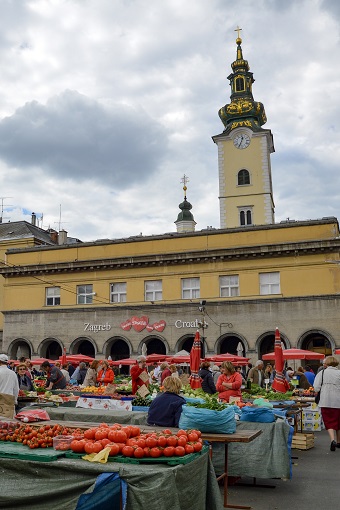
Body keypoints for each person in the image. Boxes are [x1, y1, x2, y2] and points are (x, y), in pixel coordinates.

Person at [314, 356, 340, 451]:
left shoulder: (322, 373)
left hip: (326, 400)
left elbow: (316, 387)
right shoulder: (339, 373)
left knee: (329, 421)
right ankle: (339, 441)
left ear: (327, 363)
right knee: (338, 421)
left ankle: (332, 440)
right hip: (338, 401)